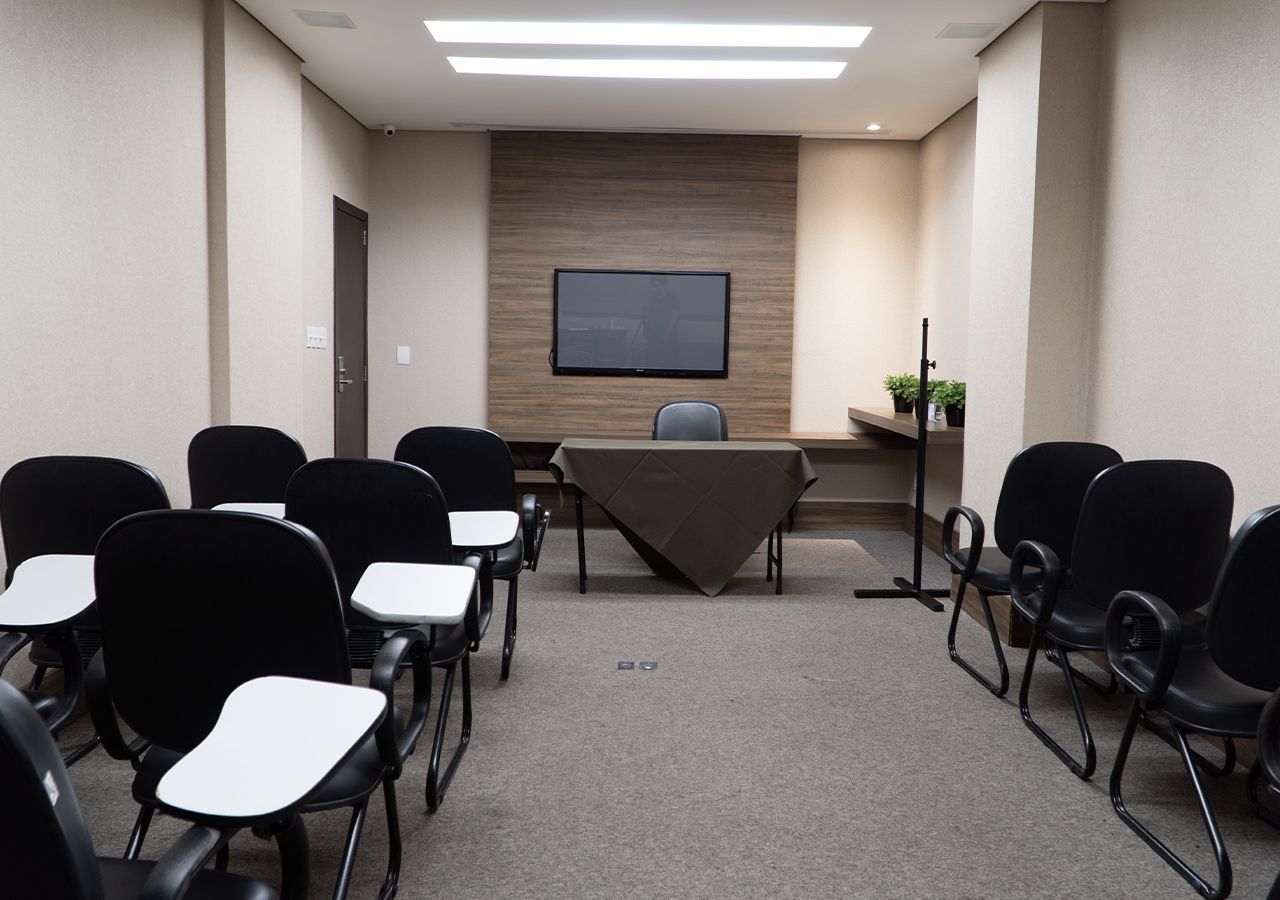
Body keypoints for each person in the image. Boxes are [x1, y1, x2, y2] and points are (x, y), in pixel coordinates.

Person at [636, 274, 679, 368]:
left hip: (666, 337)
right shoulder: (653, 299)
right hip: (653, 336)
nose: (654, 288)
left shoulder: (673, 298)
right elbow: (649, 317)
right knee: (652, 361)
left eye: (656, 285)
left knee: (665, 361)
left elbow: (674, 318)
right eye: (653, 286)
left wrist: (667, 333)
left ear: (664, 285)